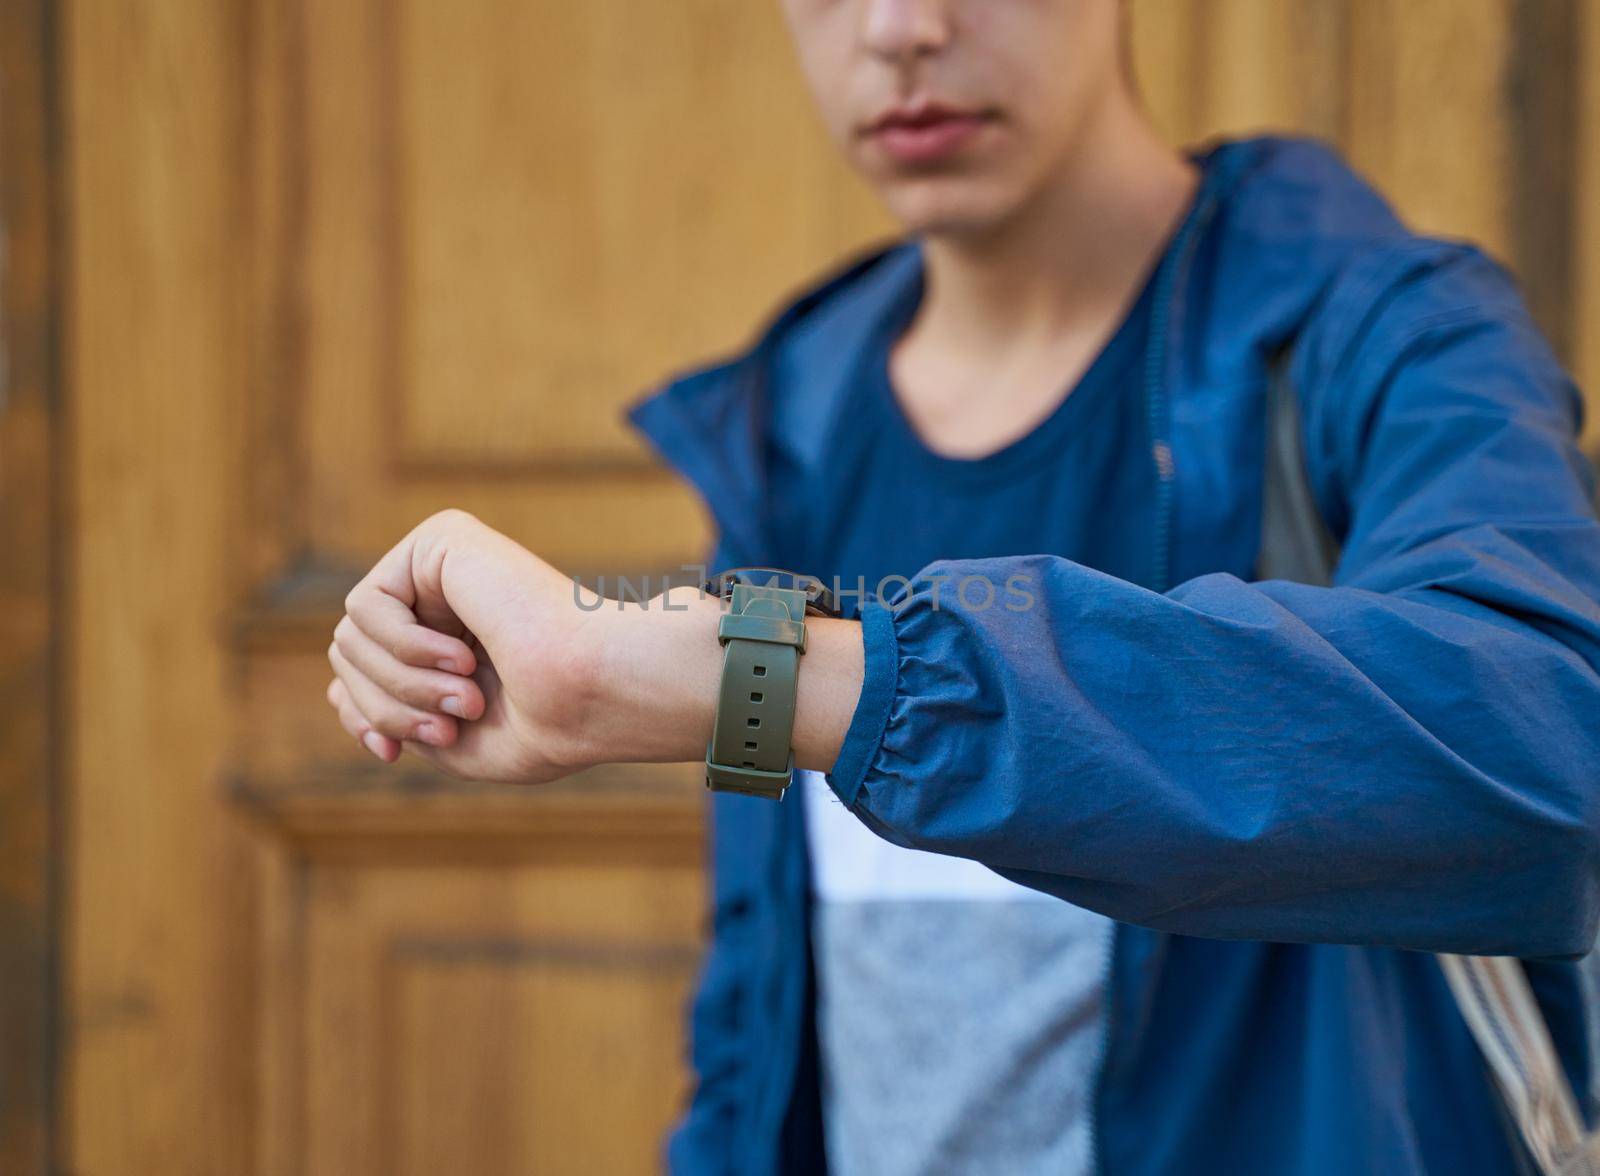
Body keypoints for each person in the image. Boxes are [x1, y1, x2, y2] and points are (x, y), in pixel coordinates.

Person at [322, 1, 1600, 1172]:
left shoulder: (1386, 335)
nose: (899, 29)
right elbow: (766, 1002)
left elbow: (1551, 756)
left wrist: (774, 679)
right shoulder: (793, 417)